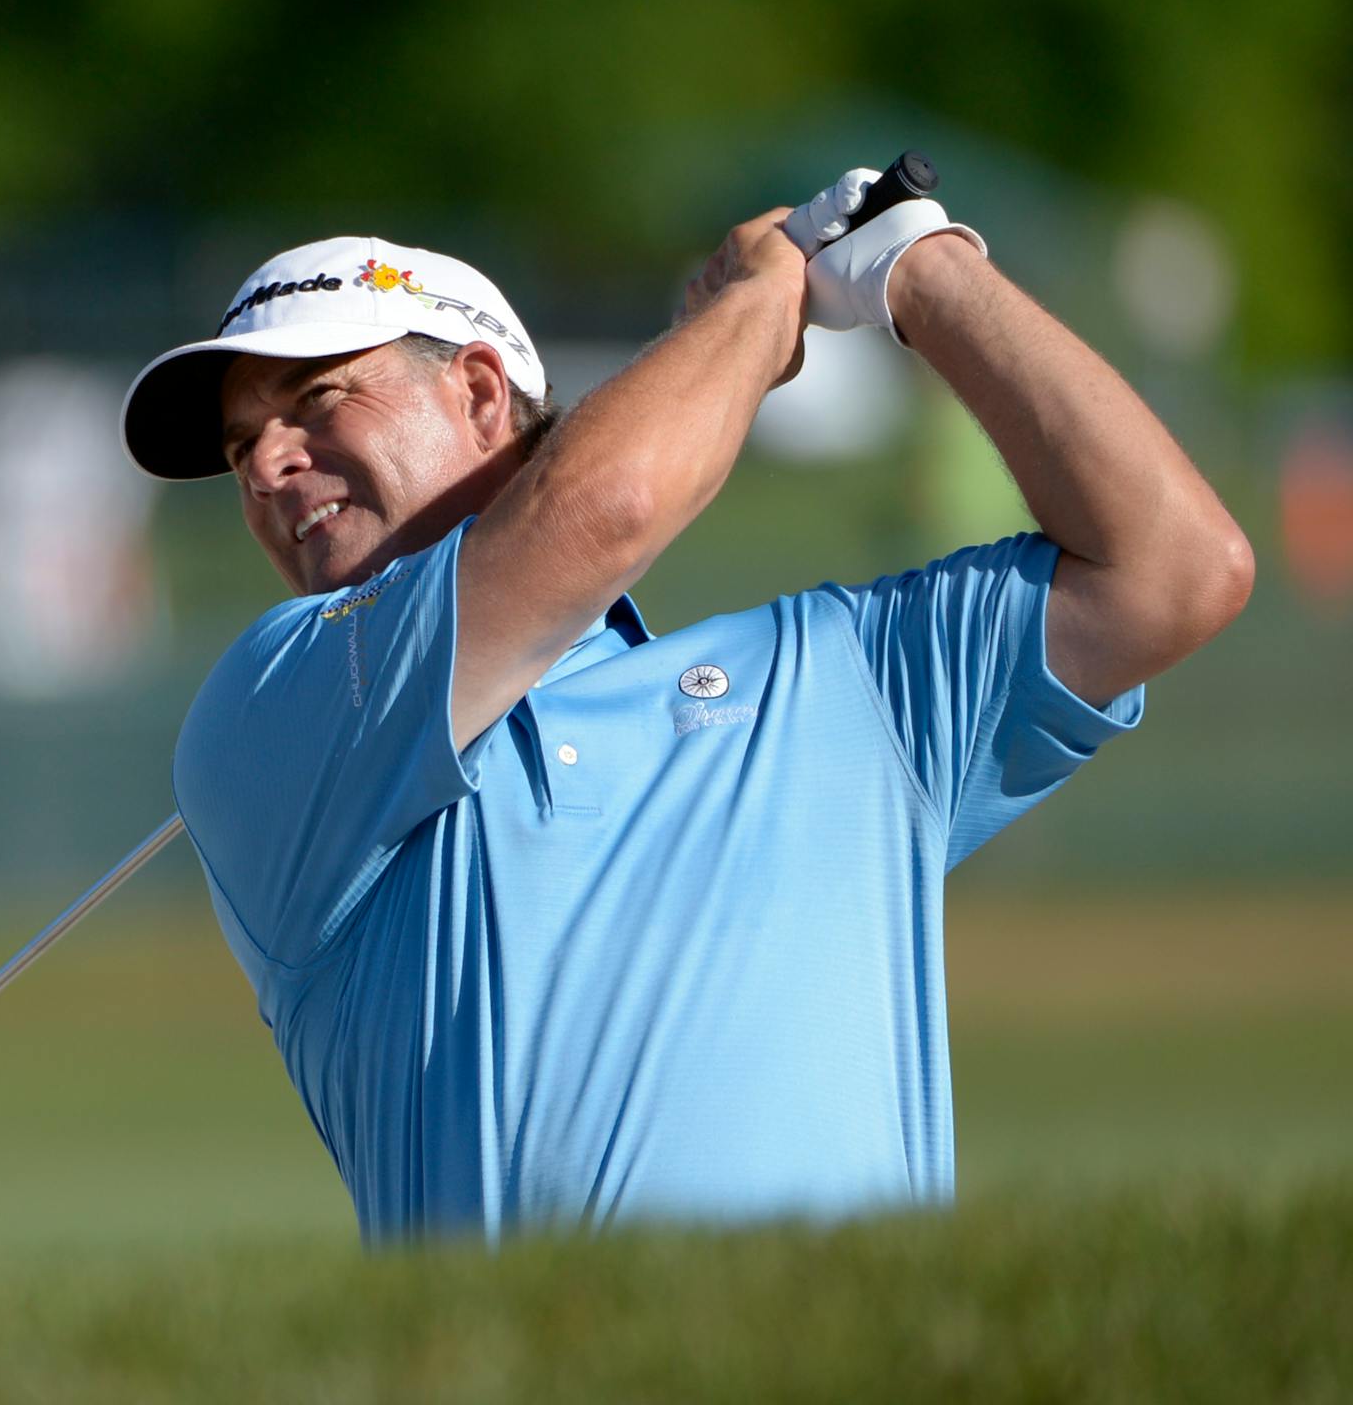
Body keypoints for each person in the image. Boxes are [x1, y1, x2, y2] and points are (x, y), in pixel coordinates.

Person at [117, 169, 1252, 1244]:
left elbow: (1178, 569)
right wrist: (768, 302)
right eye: (239, 445)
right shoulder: (273, 704)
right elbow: (603, 508)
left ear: (474, 391)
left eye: (315, 399)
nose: (266, 466)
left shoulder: (834, 677)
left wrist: (923, 270)